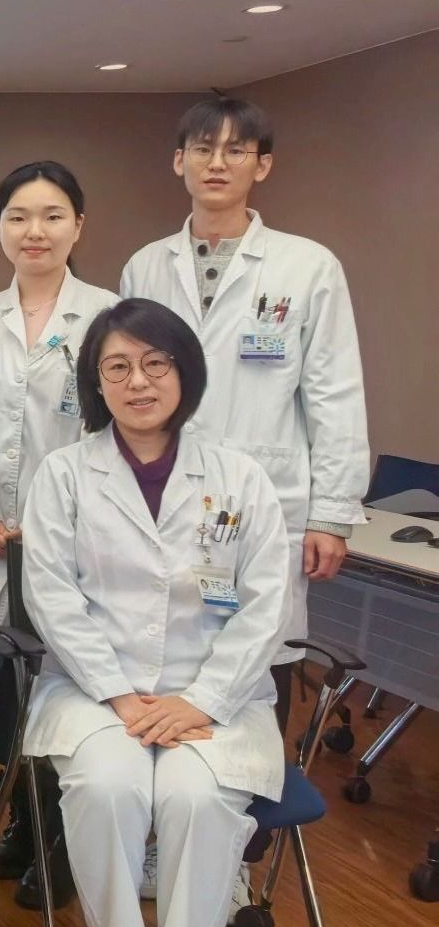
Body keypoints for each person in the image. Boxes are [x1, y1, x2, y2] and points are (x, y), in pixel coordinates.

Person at [20, 299, 290, 927]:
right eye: (117, 367)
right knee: (108, 787)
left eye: (155, 364)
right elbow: (50, 594)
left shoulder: (239, 478)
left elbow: (266, 603)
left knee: (194, 800)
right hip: (97, 692)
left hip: (216, 700)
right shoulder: (65, 474)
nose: (137, 382)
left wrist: (202, 699)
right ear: (96, 383)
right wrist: (117, 692)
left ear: (184, 374)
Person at [119, 97, 368, 727]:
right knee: (160, 647)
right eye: (203, 149)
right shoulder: (146, 266)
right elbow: (126, 387)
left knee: (260, 657)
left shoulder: (306, 266)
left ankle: (254, 788)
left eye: (236, 151)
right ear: (179, 160)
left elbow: (335, 393)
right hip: (160, 490)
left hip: (266, 498)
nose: (217, 164)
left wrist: (331, 514)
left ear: (263, 165)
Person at [0, 162, 118, 905]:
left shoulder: (108, 314)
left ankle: (63, 839)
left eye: (52, 216)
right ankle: (21, 817)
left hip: (78, 540)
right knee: (7, 681)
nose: (34, 231)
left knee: (70, 681)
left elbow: (118, 429)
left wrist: (56, 521)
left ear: (79, 225)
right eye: (18, 216)